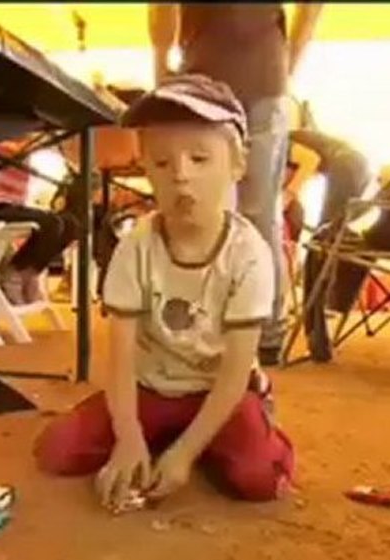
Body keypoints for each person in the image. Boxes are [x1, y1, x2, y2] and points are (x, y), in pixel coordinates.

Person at [33, 74, 296, 510]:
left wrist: (184, 455)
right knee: (57, 451)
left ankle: (222, 432)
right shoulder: (136, 245)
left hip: (219, 391)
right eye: (160, 163)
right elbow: (119, 357)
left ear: (238, 164)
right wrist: (129, 436)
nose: (181, 177)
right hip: (150, 388)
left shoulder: (249, 253)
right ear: (145, 170)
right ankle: (163, 435)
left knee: (258, 480)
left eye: (199, 158)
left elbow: (232, 372)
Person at [148, 3, 323, 365]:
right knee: (259, 212)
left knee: (202, 209)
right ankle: (264, 333)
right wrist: (288, 62)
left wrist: (160, 61)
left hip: (209, 75)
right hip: (258, 75)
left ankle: (210, 329)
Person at [0, 138, 79, 305]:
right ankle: (15, 272)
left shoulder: (29, 146)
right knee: (51, 223)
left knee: (71, 225)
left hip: (15, 206)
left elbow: (69, 155)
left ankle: (30, 272)